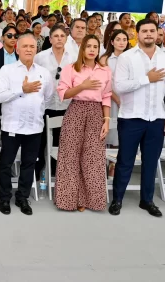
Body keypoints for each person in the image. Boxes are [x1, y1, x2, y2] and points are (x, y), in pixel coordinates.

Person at [110, 19, 165, 217]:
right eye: (144, 31)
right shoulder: (127, 57)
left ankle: (147, 200)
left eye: (152, 31)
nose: (149, 34)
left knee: (151, 161)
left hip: (157, 118)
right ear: (136, 34)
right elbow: (119, 87)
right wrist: (147, 78)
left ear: (158, 34)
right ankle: (117, 199)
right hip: (131, 117)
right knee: (125, 161)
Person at [0, 34, 53, 215]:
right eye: (25, 46)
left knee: (29, 164)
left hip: (34, 127)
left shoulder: (44, 73)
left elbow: (49, 98)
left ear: (37, 49)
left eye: (32, 46)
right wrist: (22, 90)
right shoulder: (7, 70)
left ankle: (22, 198)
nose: (29, 49)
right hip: (12, 126)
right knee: (6, 163)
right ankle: (5, 198)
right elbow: (0, 96)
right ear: (17, 49)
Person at [55, 35, 112, 212]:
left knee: (93, 158)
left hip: (96, 113)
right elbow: (63, 94)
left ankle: (90, 200)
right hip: (76, 110)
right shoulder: (71, 68)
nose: (92, 49)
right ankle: (69, 200)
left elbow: (107, 96)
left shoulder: (105, 71)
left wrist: (106, 120)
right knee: (70, 156)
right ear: (83, 48)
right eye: (89, 46)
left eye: (95, 46)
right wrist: (83, 86)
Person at [34, 24, 73, 178]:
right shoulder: (40, 57)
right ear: (50, 39)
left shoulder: (73, 58)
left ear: (66, 38)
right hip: (45, 105)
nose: (59, 39)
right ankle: (37, 172)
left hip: (66, 105)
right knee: (41, 140)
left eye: (62, 36)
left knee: (60, 141)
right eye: (56, 36)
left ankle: (56, 173)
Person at [98, 29, 129, 163]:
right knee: (107, 132)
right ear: (112, 42)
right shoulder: (105, 59)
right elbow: (105, 83)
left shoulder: (131, 58)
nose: (121, 42)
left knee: (121, 135)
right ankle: (101, 165)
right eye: (118, 39)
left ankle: (113, 166)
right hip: (109, 100)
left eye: (124, 39)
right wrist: (117, 100)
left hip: (127, 101)